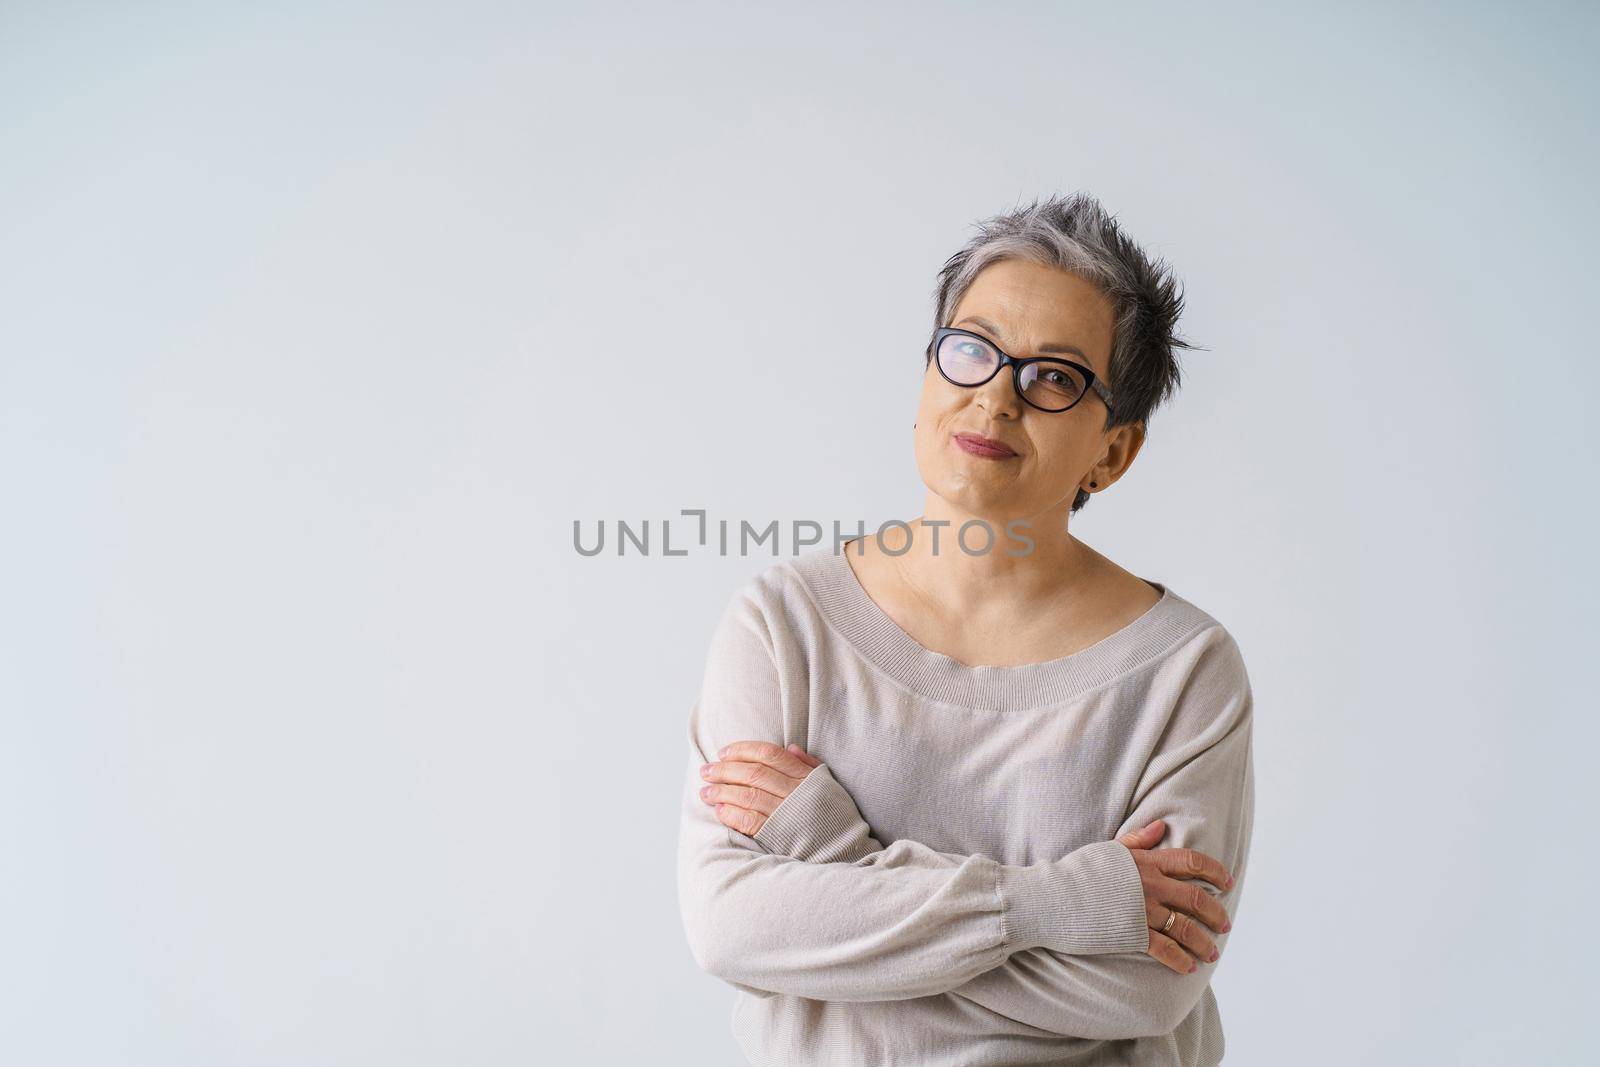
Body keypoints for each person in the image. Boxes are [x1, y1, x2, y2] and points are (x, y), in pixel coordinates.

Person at [676, 191, 1255, 1066]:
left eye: (1054, 376)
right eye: (971, 350)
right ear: (928, 374)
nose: (995, 397)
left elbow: (1146, 984)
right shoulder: (784, 624)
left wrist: (832, 860)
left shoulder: (1184, 670)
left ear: (1114, 451)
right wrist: (1055, 906)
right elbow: (730, 927)